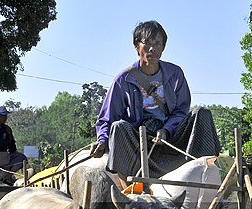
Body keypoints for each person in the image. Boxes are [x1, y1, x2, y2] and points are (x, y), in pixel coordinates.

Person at [90, 20, 220, 182]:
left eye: (158, 43)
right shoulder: (124, 79)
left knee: (201, 113)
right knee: (118, 127)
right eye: (148, 43)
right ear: (137, 46)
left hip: (171, 135)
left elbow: (181, 110)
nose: (153, 49)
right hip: (138, 138)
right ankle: (128, 183)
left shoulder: (175, 73)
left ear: (163, 47)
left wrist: (167, 129)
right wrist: (101, 140)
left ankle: (205, 171)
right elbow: (108, 117)